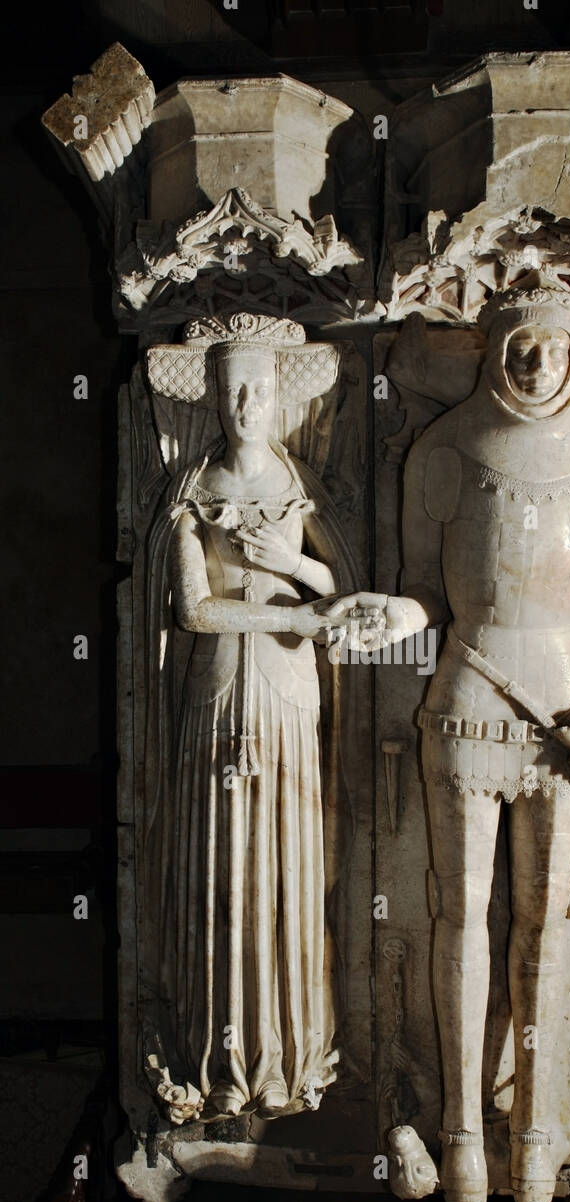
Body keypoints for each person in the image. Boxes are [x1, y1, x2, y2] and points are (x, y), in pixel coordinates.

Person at [329, 279, 570, 1202]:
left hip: (569, 722)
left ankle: (540, 1123)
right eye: (518, 342)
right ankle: (464, 1127)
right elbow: (427, 592)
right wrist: (395, 610)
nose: (535, 361)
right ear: (492, 348)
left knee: (545, 926)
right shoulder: (441, 450)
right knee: (458, 919)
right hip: (469, 699)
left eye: (551, 345)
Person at [143, 315, 352, 1123]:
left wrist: (291, 565)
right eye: (232, 388)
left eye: (261, 388)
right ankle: (219, 1062)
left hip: (292, 704)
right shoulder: (190, 495)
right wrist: (286, 618)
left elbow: (341, 590)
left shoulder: (304, 488)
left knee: (289, 871)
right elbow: (193, 612)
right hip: (219, 696)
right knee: (221, 868)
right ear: (213, 399)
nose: (246, 403)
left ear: (278, 397)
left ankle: (286, 1062)